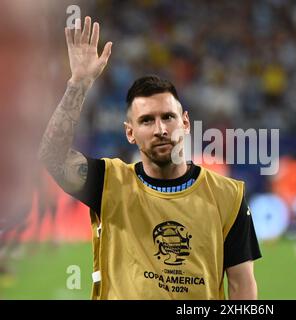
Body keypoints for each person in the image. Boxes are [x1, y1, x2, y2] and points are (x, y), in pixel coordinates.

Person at [38, 16, 261, 300]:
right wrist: (79, 83)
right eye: (146, 121)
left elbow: (242, 286)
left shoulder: (228, 196)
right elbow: (51, 155)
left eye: (168, 117)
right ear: (130, 133)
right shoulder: (108, 183)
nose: (160, 129)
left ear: (186, 123)